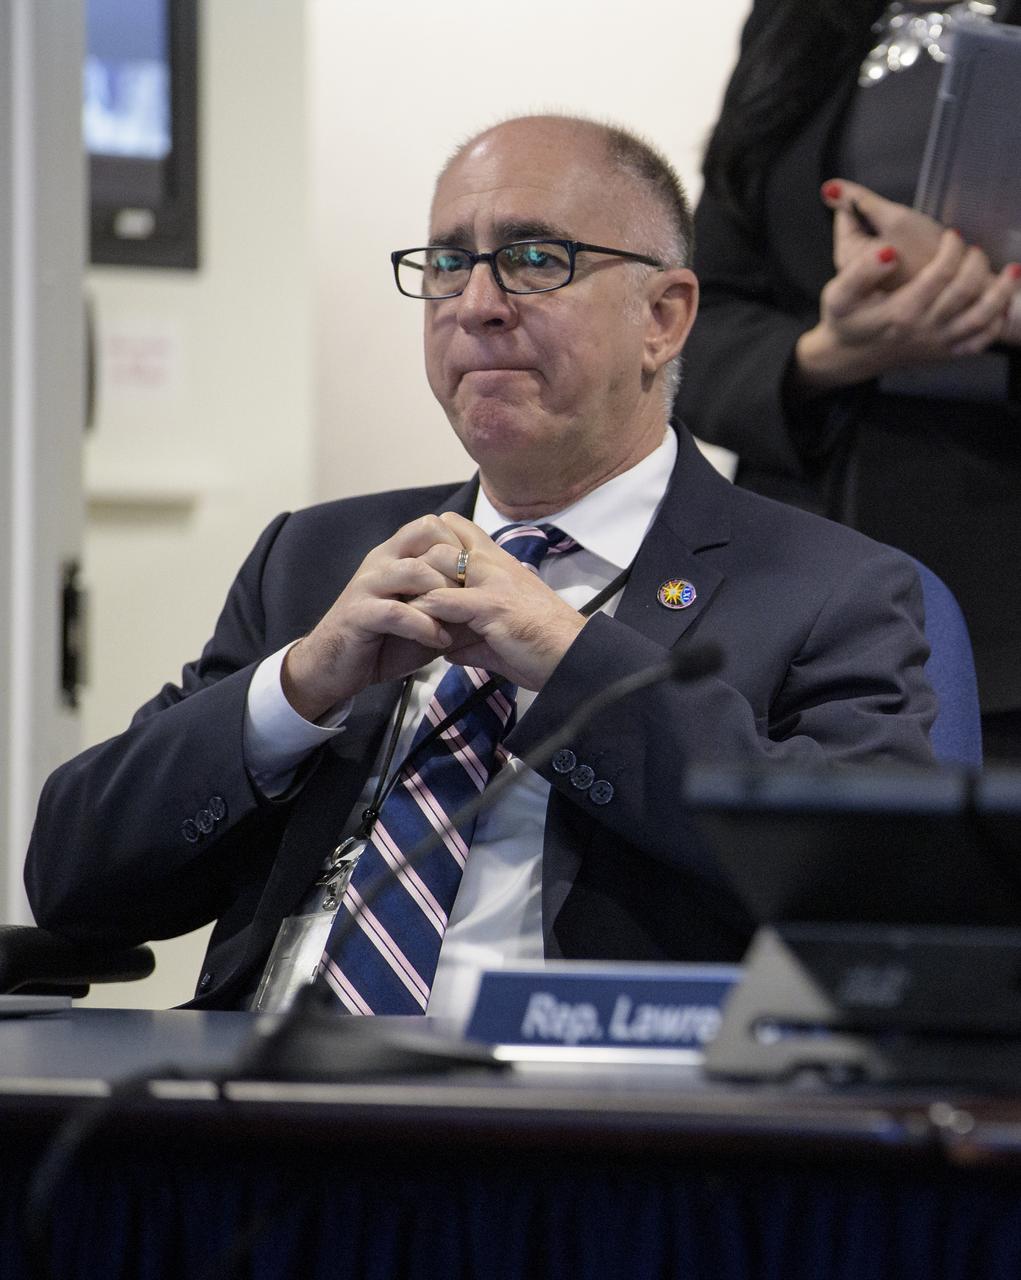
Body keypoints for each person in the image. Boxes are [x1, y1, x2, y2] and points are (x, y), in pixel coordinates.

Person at [26, 115, 935, 1015]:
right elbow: (71, 880)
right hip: (262, 1100)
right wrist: (295, 691)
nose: (476, 304)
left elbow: (871, 890)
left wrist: (570, 659)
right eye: (448, 263)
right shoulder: (314, 558)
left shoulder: (827, 587)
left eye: (537, 259)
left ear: (663, 318)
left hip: (573, 1121)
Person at [675, 0, 1021, 760]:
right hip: (794, 576)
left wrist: (1000, 310)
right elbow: (697, 320)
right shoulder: (792, 17)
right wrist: (831, 351)